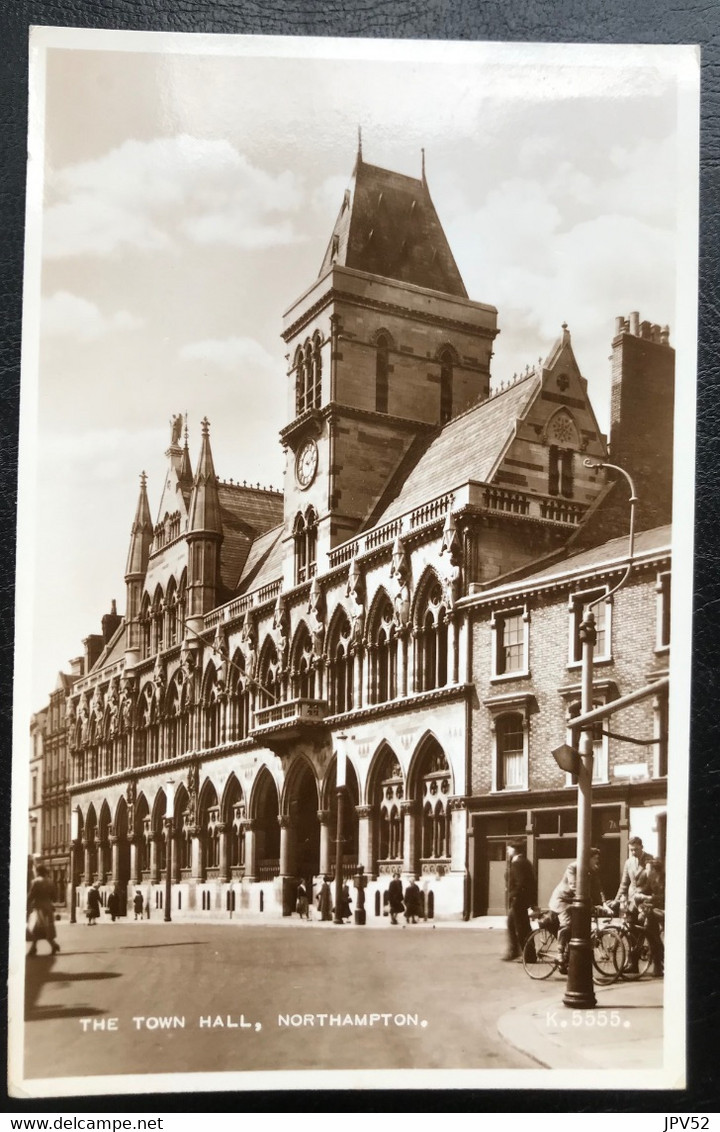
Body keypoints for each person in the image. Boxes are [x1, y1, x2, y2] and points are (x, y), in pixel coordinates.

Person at [549, 847, 605, 973]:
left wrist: (604, 904)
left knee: (580, 927)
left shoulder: (592, 870)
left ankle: (568, 959)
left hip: (576, 901)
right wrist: (586, 902)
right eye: (595, 859)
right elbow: (574, 886)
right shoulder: (573, 867)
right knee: (567, 924)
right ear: (588, 859)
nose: (597, 861)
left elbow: (598, 888)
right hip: (562, 900)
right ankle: (559, 953)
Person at [615, 836, 664, 977]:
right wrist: (617, 900)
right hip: (632, 901)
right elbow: (624, 884)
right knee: (631, 932)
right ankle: (633, 964)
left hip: (646, 902)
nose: (634, 852)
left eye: (636, 849)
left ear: (641, 847)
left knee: (651, 933)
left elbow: (655, 882)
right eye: (631, 850)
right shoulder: (629, 862)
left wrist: (652, 898)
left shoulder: (650, 860)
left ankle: (658, 965)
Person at [502, 842, 537, 961]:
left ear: (515, 849)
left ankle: (529, 955)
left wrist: (513, 895)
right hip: (522, 900)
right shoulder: (524, 861)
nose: (507, 851)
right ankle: (515, 951)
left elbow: (521, 883)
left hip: (518, 901)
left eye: (509, 848)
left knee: (521, 928)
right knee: (513, 925)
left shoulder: (518, 863)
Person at [27, 866, 60, 956]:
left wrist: (27, 904)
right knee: (46, 927)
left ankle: (51, 946)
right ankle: (37, 948)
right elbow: (54, 897)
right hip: (48, 907)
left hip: (38, 908)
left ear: (38, 872)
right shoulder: (50, 881)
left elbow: (31, 895)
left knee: (36, 928)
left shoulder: (36, 882)